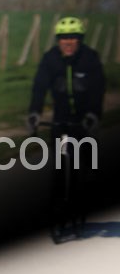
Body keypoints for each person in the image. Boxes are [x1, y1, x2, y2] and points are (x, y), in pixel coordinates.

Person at [26, 16, 105, 238]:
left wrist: (93, 114)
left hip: (83, 119)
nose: (68, 42)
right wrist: (34, 112)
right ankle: (58, 207)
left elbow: (98, 89)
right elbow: (39, 87)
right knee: (60, 164)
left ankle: (83, 197)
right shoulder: (50, 59)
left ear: (80, 39)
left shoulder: (89, 58)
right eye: (63, 38)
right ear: (58, 40)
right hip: (60, 120)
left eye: (73, 37)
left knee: (84, 163)